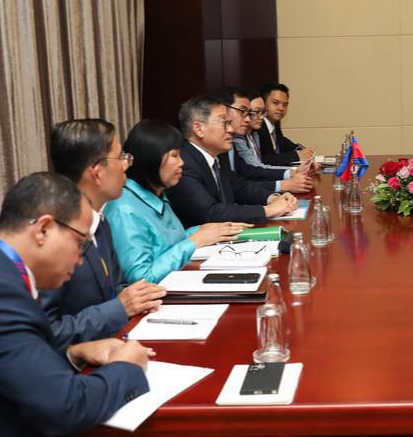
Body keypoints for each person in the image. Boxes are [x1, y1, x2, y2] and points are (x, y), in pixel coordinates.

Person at [0, 173, 152, 436]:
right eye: (80, 243)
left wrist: (73, 354)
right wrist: (126, 367)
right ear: (43, 229)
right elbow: (67, 407)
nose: (80, 259)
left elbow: (9, 364)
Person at [40, 119, 167, 345]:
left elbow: (116, 286)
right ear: (97, 173)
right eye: (120, 157)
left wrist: (142, 297)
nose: (126, 165)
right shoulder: (53, 236)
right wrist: (118, 308)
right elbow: (47, 333)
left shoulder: (100, 220)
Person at [107, 119, 249, 283]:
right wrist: (195, 240)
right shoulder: (124, 209)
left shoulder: (156, 193)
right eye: (174, 155)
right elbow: (141, 278)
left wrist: (200, 231)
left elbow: (168, 243)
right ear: (151, 158)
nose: (182, 162)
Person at [170, 93, 299, 226]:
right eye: (225, 123)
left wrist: (272, 198)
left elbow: (239, 187)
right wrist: (267, 210)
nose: (231, 129)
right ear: (199, 129)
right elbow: (210, 212)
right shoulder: (182, 163)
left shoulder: (218, 155)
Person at [219, 87, 314, 193]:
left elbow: (247, 175)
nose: (248, 118)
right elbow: (255, 170)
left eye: (262, 112)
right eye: (244, 112)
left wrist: (292, 172)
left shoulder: (257, 133)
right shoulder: (236, 139)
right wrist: (286, 181)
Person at [256, 82, 314, 166]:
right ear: (263, 103)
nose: (281, 108)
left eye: (285, 104)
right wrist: (296, 155)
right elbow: (262, 160)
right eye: (275, 103)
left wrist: (303, 152)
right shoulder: (257, 127)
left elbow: (286, 145)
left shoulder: (274, 127)